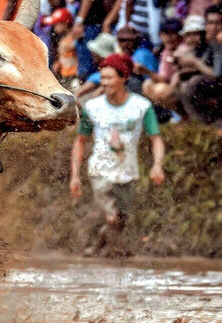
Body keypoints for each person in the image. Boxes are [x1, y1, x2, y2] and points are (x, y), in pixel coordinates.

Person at [70, 53, 165, 257]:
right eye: (102, 78)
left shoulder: (141, 107)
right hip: (100, 171)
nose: (104, 83)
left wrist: (157, 165)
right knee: (112, 217)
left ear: (123, 78)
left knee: (120, 220)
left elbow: (155, 138)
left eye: (109, 78)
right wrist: (75, 175)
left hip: (127, 172)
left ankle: (96, 248)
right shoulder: (92, 108)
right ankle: (116, 253)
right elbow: (80, 141)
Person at [179, 4, 222, 133]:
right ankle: (202, 125)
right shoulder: (210, 43)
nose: (213, 27)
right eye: (210, 23)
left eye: (218, 23)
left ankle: (204, 126)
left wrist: (195, 63)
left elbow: (216, 74)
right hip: (216, 84)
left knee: (193, 84)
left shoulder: (219, 43)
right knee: (184, 83)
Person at [46, 7, 77, 83]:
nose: (54, 27)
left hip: (75, 74)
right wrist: (58, 62)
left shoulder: (74, 37)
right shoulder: (63, 39)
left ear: (65, 23)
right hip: (65, 74)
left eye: (56, 24)